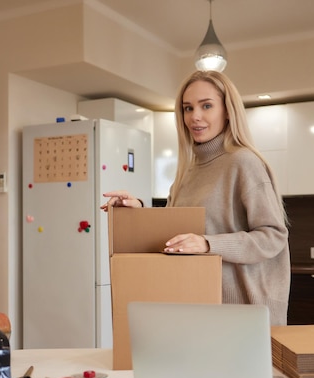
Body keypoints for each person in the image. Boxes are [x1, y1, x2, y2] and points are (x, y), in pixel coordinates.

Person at [100, 70, 290, 325]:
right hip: (196, 301)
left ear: (227, 110)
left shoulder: (243, 162)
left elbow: (273, 236)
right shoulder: (188, 171)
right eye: (188, 108)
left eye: (206, 106)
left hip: (241, 309)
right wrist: (138, 210)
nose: (195, 117)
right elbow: (177, 235)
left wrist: (208, 244)